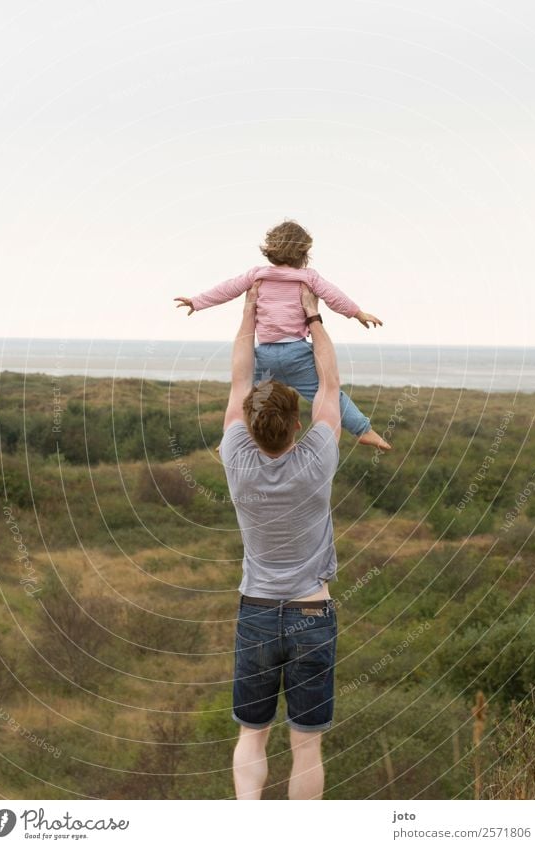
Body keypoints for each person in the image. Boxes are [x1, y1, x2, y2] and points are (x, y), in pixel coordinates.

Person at [218, 279, 341, 800]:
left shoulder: (236, 458)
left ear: (248, 424)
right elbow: (331, 388)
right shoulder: (317, 457)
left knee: (252, 733)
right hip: (313, 610)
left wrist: (249, 315)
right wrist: (313, 318)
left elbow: (239, 380)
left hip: (258, 611)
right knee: (307, 745)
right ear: (297, 422)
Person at [175, 219, 391, 451]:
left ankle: (230, 437)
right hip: (297, 355)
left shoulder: (257, 275)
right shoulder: (308, 277)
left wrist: (197, 302)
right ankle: (363, 430)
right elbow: (333, 296)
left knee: (246, 396)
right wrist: (357, 313)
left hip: (266, 355)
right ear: (303, 253)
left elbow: (227, 289)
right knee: (330, 392)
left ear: (271, 250)